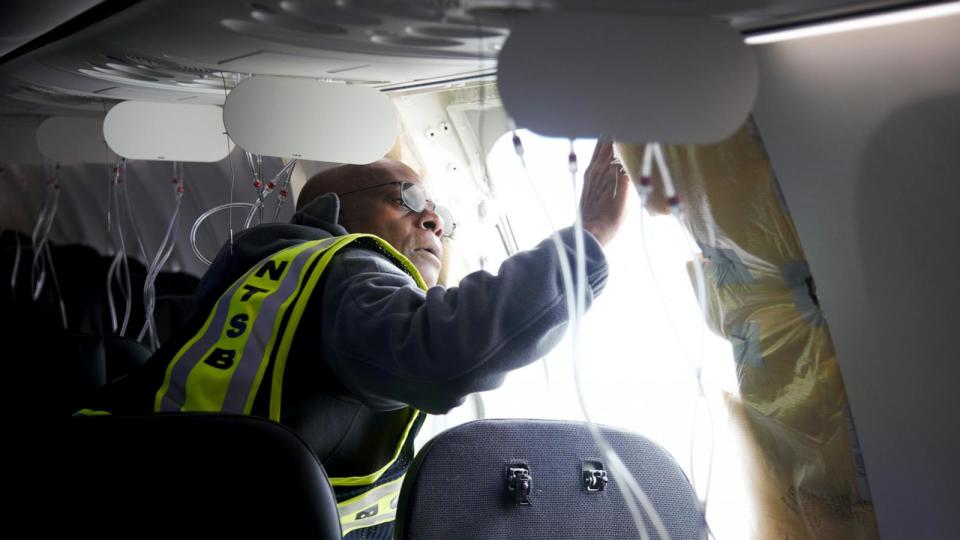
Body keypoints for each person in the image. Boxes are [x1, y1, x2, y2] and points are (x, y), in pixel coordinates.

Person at [82, 141, 630, 538]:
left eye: (442, 214)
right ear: (334, 209)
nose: (434, 219)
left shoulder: (270, 276)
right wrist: (590, 241)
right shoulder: (348, 267)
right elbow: (440, 352)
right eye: (410, 198)